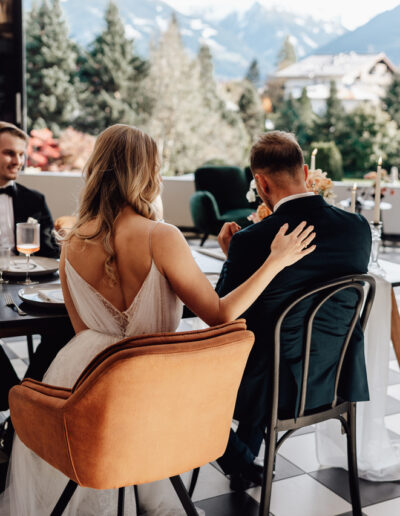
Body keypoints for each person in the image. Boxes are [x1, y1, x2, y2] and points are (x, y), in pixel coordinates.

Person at [0, 124, 315, 515]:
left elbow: (84, 331)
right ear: (146, 173)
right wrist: (276, 260)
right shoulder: (161, 236)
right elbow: (221, 315)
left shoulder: (72, 241)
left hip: (83, 383)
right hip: (152, 392)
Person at [215, 131, 372, 491]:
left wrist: (232, 259)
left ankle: (240, 460)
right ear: (304, 170)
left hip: (271, 388)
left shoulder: (252, 240)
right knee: (273, 344)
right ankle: (244, 468)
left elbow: (221, 317)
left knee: (184, 381)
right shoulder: (357, 230)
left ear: (261, 183)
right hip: (333, 379)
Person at [0, 122, 74, 462]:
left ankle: (24, 402)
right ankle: (12, 398)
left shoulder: (33, 199)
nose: (17, 161)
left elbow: (51, 249)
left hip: (28, 283)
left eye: (20, 154)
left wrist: (62, 236)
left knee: (64, 325)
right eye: (8, 153)